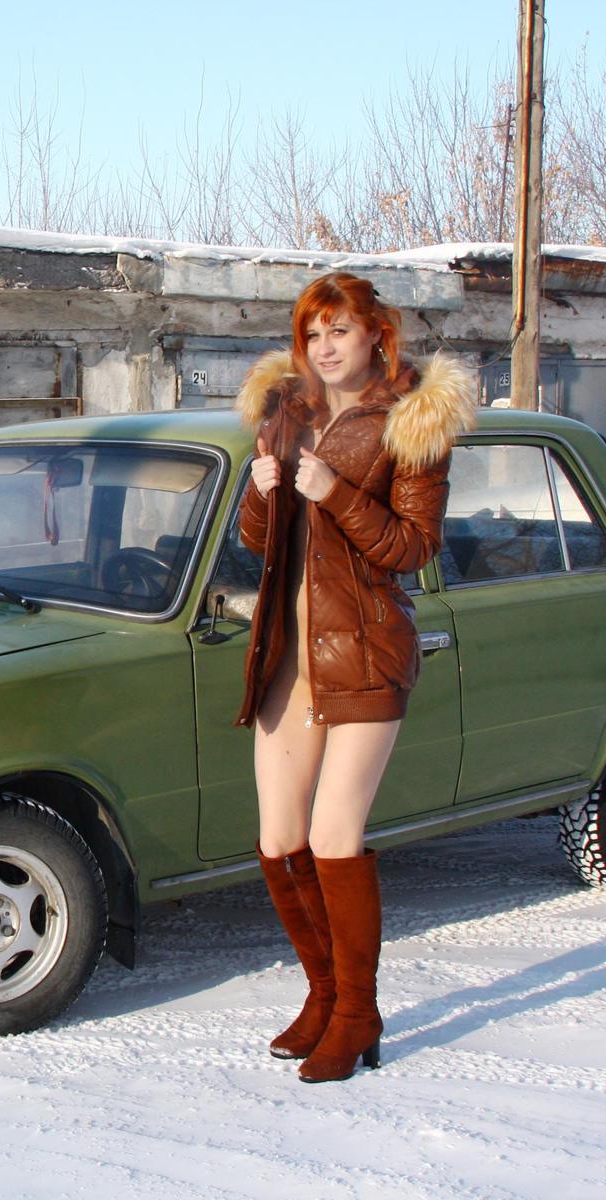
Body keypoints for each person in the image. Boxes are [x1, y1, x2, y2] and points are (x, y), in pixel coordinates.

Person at [234, 272, 474, 1082]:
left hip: (367, 653)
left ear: (377, 333)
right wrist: (262, 494)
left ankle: (360, 1012)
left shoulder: (413, 423)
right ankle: (325, 992)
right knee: (278, 838)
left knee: (336, 835)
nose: (324, 347)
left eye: (339, 330)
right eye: (312, 334)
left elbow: (413, 546)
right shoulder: (287, 413)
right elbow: (259, 537)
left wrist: (333, 491)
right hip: (287, 658)